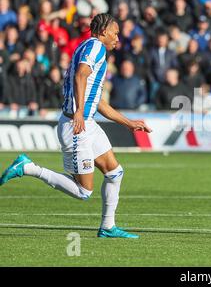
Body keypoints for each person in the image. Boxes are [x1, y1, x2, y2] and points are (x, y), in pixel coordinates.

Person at [0, 14, 151, 239]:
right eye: (115, 33)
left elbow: (97, 100)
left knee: (115, 172)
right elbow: (80, 75)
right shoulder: (96, 48)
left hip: (86, 123)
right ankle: (28, 167)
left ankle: (108, 227)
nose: (118, 38)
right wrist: (79, 111)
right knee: (84, 191)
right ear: (103, 32)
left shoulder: (90, 48)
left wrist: (128, 123)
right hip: (76, 125)